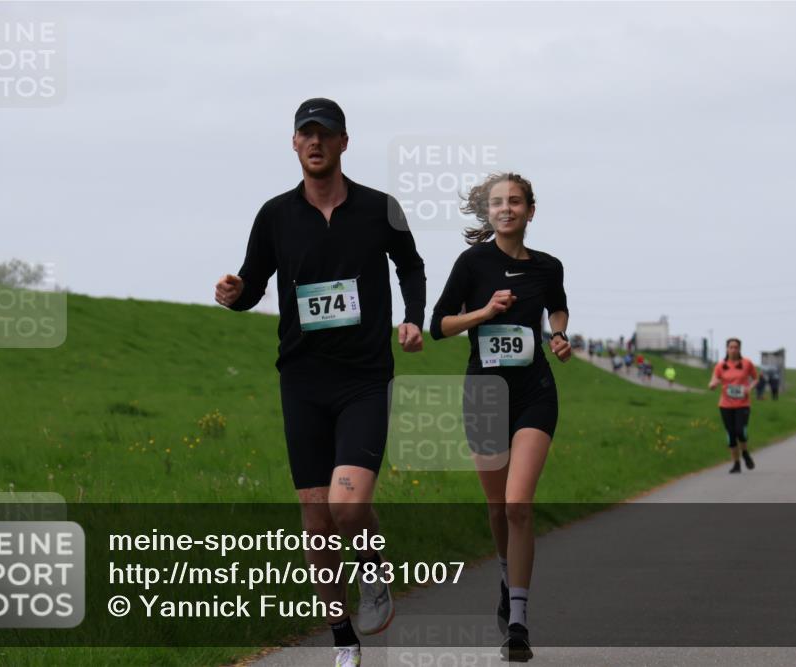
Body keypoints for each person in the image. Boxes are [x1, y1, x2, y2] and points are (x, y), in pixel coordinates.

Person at [214, 98, 426, 667]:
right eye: (306, 134)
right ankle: (343, 641)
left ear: (343, 143)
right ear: (294, 144)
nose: (315, 143)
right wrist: (236, 297)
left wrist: (412, 316)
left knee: (348, 507)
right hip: (302, 380)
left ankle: (374, 568)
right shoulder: (275, 215)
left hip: (363, 377)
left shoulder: (382, 208)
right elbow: (254, 284)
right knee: (315, 519)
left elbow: (411, 263)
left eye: (325, 134)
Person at [430, 172, 570, 662]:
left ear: (531, 210)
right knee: (496, 509)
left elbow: (558, 308)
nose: (506, 209)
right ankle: (507, 572)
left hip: (535, 391)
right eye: (497, 203)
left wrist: (558, 335)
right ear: (487, 213)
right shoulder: (471, 263)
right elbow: (439, 326)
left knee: (517, 505)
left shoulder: (548, 266)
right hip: (485, 394)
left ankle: (518, 619)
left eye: (515, 201)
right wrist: (484, 312)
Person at [708, 338, 759, 473]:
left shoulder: (747, 363)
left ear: (739, 349)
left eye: (736, 347)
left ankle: (745, 453)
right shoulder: (720, 365)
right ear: (727, 349)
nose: (733, 349)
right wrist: (712, 385)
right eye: (731, 347)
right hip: (725, 405)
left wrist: (749, 388)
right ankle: (736, 464)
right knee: (731, 435)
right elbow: (714, 379)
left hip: (743, 404)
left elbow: (755, 378)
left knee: (740, 431)